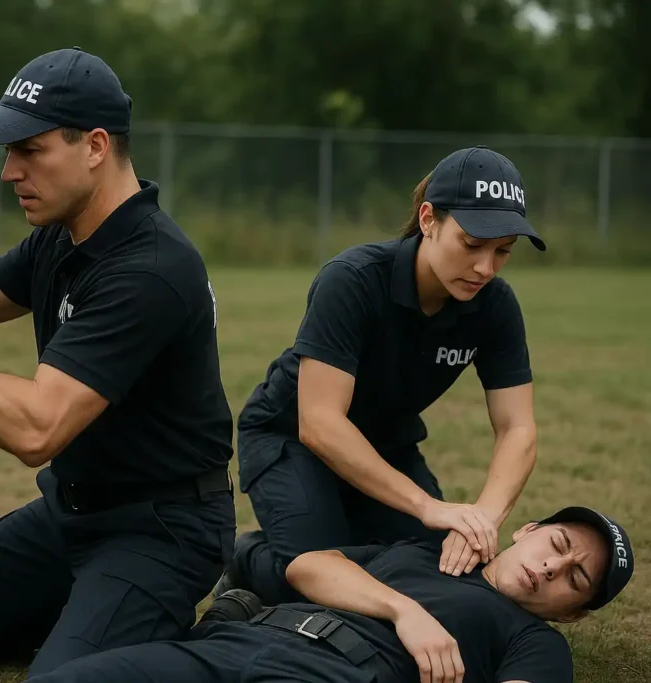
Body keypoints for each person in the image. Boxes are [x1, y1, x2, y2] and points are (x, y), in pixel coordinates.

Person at [0, 46, 236, 677]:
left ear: (96, 146)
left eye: (30, 150)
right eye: (9, 152)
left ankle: (229, 629)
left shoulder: (149, 268)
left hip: (160, 530)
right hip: (71, 512)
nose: (9, 172)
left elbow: (37, 429)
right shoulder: (65, 234)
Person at [216, 145, 547, 607]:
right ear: (428, 219)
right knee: (330, 585)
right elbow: (319, 423)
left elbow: (518, 429)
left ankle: (337, 540)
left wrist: (482, 520)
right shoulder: (352, 279)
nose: (485, 268)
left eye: (503, 251)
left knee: (438, 578)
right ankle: (247, 558)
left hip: (388, 448)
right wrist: (428, 507)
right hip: (291, 440)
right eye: (472, 245)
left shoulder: (495, 306)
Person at [27, 504, 634, 683]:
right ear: (526, 530)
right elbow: (309, 568)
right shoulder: (422, 551)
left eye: (575, 579)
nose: (551, 568)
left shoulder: (535, 643)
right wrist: (404, 610)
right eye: (557, 545)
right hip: (231, 643)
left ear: (574, 615)